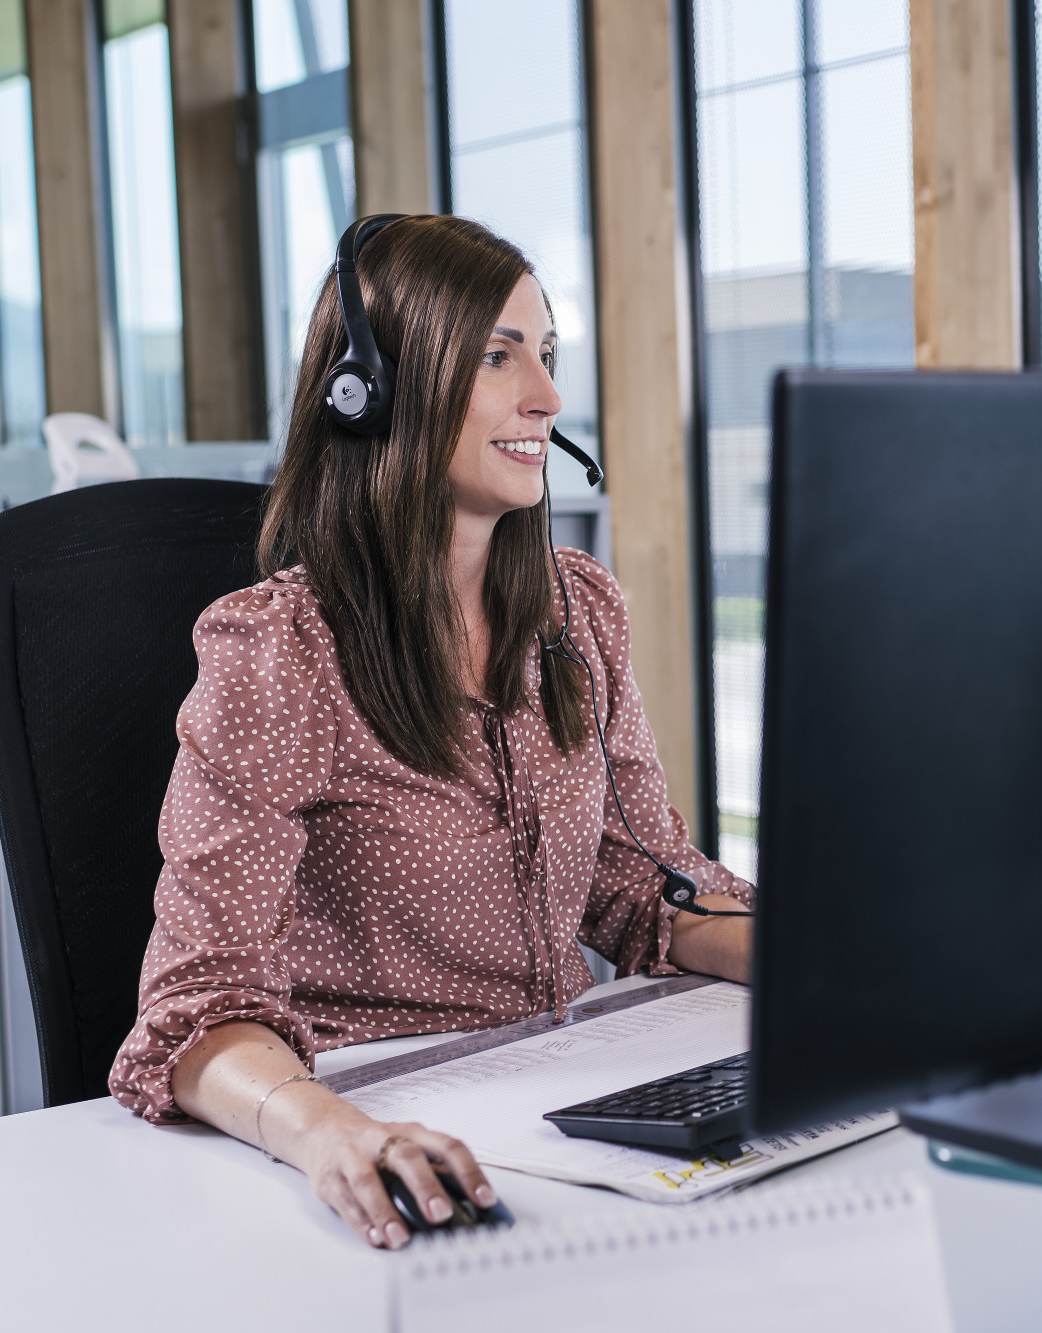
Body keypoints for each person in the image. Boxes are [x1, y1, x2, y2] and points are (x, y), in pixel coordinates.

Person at [107, 214, 753, 1250]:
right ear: (372, 389)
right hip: (373, 1126)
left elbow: (637, 885)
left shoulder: (575, 614)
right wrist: (329, 1134)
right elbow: (196, 1006)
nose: (544, 397)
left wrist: (823, 971)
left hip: (553, 1114)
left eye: (546, 355)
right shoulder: (282, 655)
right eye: (499, 357)